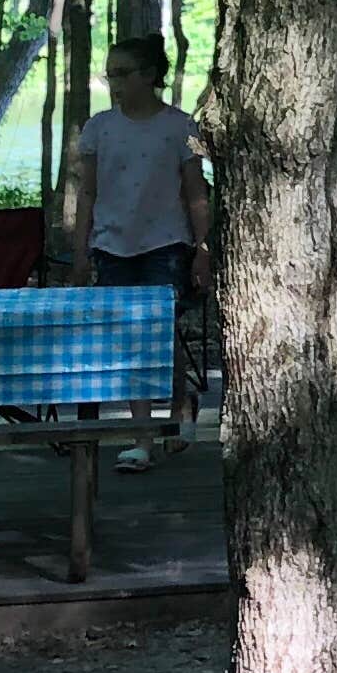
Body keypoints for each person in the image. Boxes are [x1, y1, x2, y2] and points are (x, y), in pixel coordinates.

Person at [70, 31, 210, 470]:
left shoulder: (179, 127)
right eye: (109, 74)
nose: (114, 82)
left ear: (149, 75)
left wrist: (203, 248)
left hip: (165, 243)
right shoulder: (99, 128)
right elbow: (87, 193)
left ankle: (180, 406)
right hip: (112, 245)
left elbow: (195, 193)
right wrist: (80, 251)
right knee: (130, 340)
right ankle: (142, 438)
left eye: (122, 73)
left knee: (161, 335)